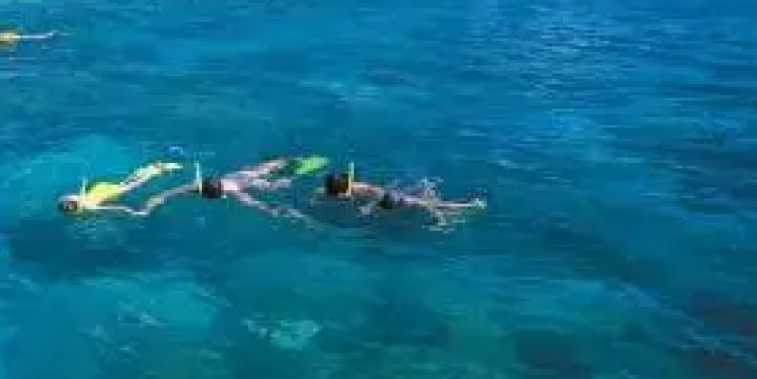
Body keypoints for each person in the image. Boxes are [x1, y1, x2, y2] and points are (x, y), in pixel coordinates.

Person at [138, 158, 310, 220]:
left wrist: (273, 211)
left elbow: (256, 205)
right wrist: (156, 200)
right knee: (262, 169)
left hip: (250, 182)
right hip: (245, 174)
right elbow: (171, 193)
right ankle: (289, 160)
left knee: (275, 184)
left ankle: (291, 175)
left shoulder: (236, 193)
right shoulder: (202, 186)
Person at [321, 164, 485, 221]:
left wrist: (370, 207)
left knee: (430, 205)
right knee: (425, 204)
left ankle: (470, 206)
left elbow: (376, 192)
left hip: (392, 200)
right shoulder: (351, 188)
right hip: (388, 198)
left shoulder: (361, 188)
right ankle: (456, 207)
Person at [57, 161, 183, 215]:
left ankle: (156, 171)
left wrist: (134, 212)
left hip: (110, 192)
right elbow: (78, 193)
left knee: (135, 185)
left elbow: (118, 207)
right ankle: (143, 170)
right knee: (124, 183)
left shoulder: (90, 207)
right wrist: (84, 182)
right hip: (100, 187)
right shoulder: (74, 198)